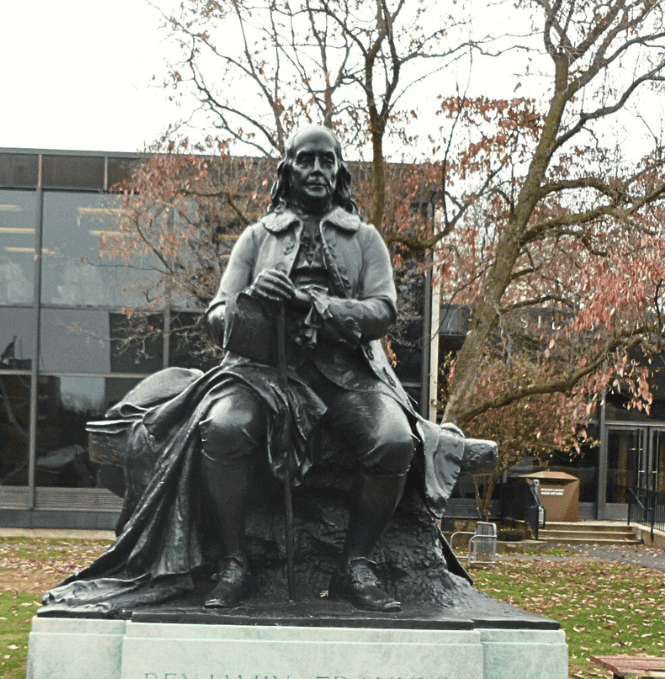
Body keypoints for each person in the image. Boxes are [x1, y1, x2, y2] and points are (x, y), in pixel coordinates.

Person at [42, 127, 473, 619]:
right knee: (223, 428)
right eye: (306, 160)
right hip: (261, 373)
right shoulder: (255, 238)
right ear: (287, 170)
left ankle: (355, 564)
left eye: (326, 161)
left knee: (394, 439)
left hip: (346, 375)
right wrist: (251, 305)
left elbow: (383, 310)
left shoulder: (366, 239)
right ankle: (233, 562)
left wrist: (313, 304)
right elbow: (216, 315)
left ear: (339, 171)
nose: (316, 170)